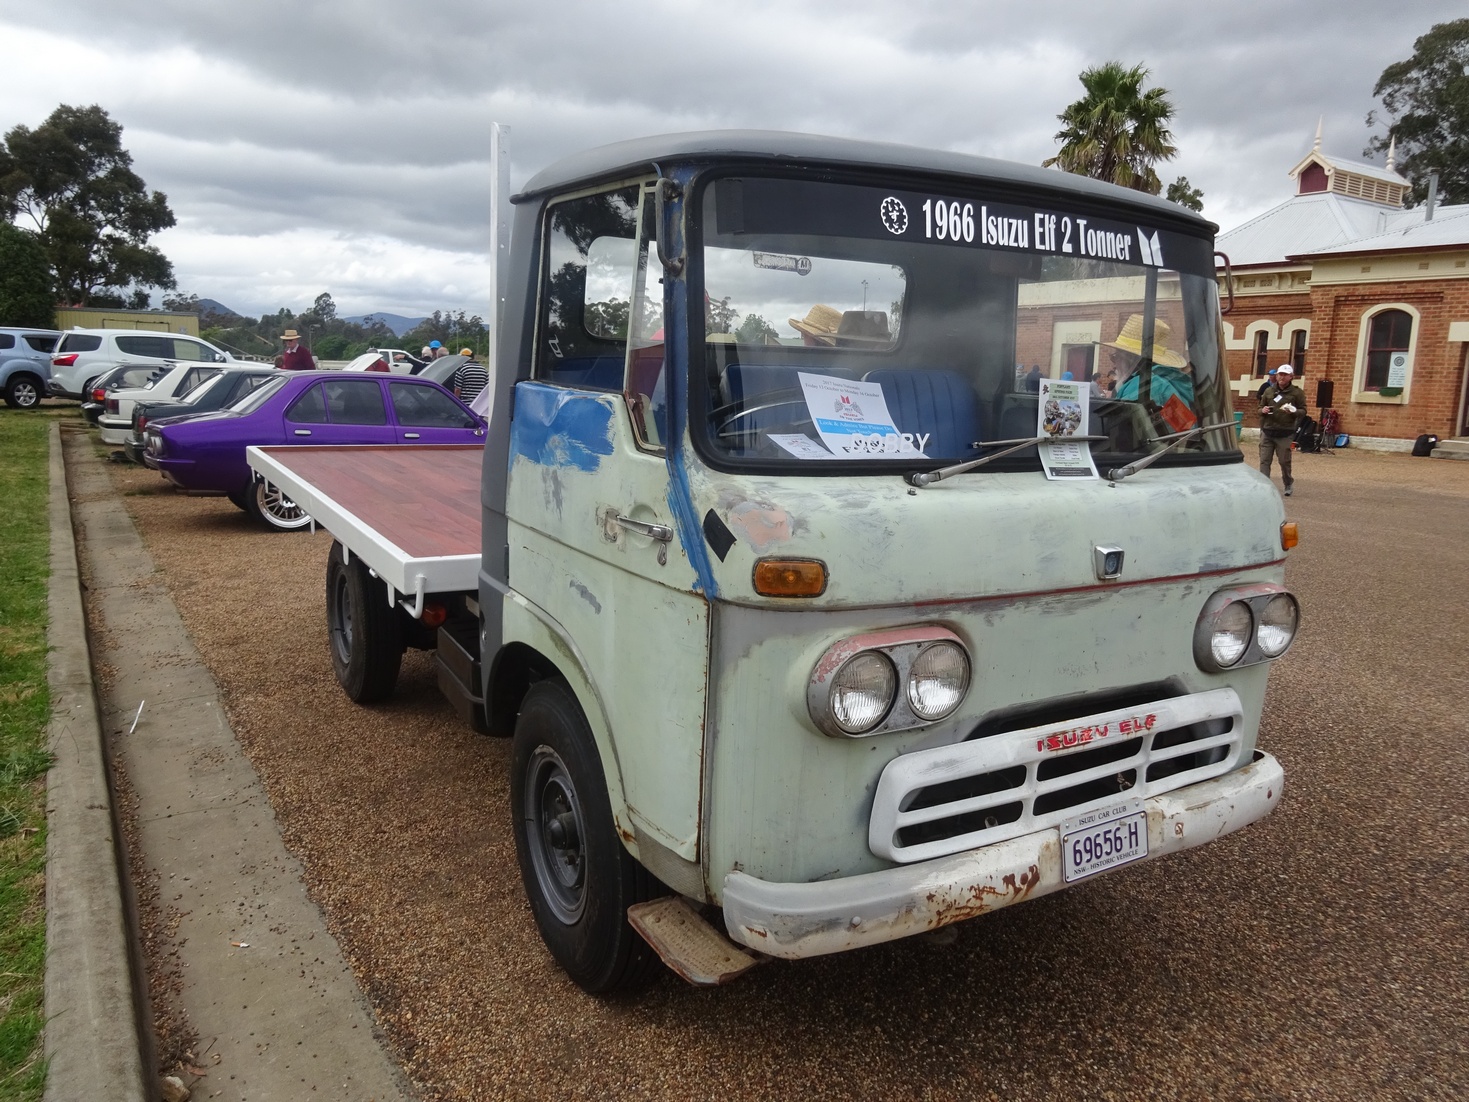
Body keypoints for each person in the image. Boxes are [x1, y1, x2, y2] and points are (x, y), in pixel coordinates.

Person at [1258, 363, 1307, 496]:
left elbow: (1303, 410)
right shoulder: (1269, 391)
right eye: (1280, 374)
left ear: (1291, 377)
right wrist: (1262, 410)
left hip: (1285, 432)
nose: (1282, 377)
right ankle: (1265, 486)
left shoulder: (1297, 392)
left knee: (1284, 461)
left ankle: (1288, 483)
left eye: (1285, 375)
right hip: (1267, 431)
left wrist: (1294, 411)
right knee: (1264, 460)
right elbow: (1260, 407)